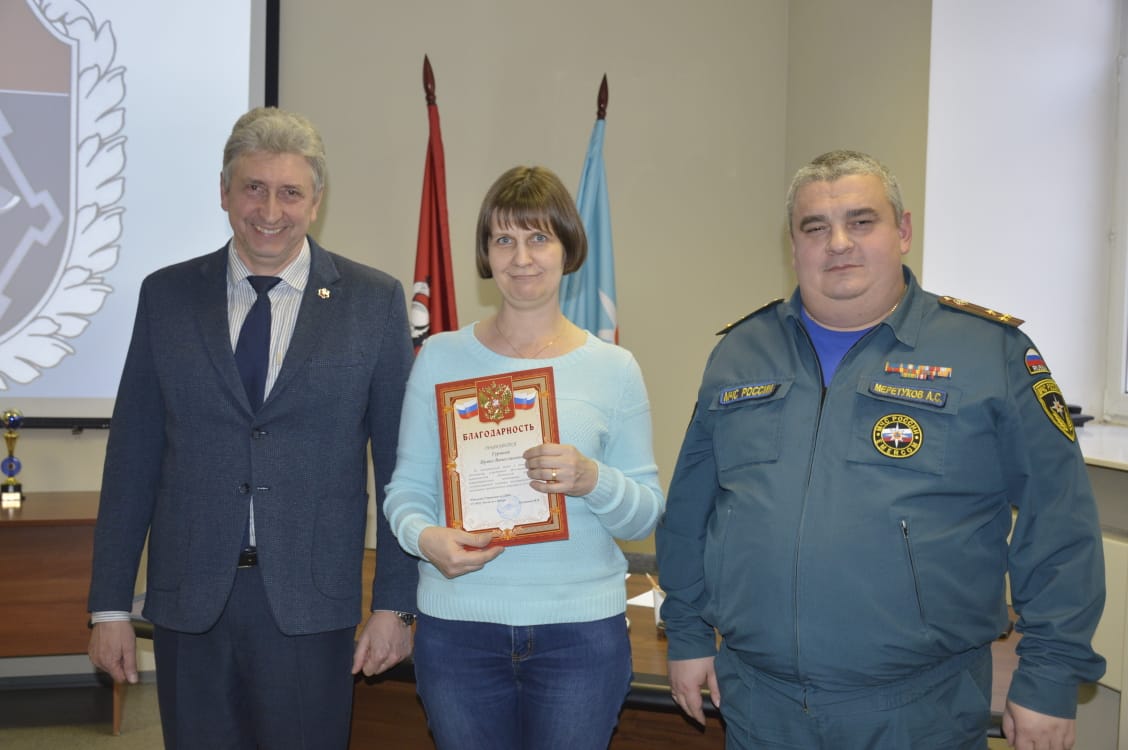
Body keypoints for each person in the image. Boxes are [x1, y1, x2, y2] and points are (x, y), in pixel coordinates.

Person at [656, 149, 1106, 750]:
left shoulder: (989, 353)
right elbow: (690, 513)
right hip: (761, 705)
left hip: (919, 711)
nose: (838, 243)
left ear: (903, 231)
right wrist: (687, 634)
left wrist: (1050, 677)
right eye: (815, 227)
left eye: (861, 221)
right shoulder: (739, 353)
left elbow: (1060, 521)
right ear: (793, 246)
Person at [86, 107, 417, 749]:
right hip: (190, 603)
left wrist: (394, 605)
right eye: (253, 188)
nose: (270, 210)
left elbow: (400, 467)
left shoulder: (372, 303)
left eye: (290, 192)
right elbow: (132, 459)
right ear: (224, 192)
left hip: (311, 603)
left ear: (316, 201)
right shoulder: (166, 297)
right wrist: (109, 606)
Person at [384, 165, 664, 749]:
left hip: (580, 635)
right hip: (459, 629)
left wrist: (591, 478)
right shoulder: (439, 358)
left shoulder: (614, 368)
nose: (522, 257)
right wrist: (424, 539)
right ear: (486, 254)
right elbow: (405, 490)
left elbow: (644, 512)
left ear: (567, 248)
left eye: (539, 237)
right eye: (503, 239)